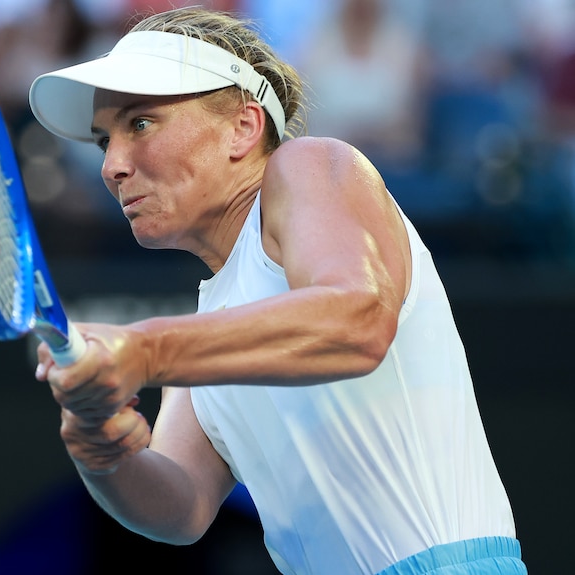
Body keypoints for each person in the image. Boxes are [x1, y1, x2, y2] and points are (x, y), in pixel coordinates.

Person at [29, 7, 527, 575]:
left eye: (140, 124)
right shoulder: (208, 329)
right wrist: (101, 450)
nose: (112, 166)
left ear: (244, 127)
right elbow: (180, 508)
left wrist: (145, 350)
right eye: (103, 142)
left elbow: (356, 320)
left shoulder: (312, 164)